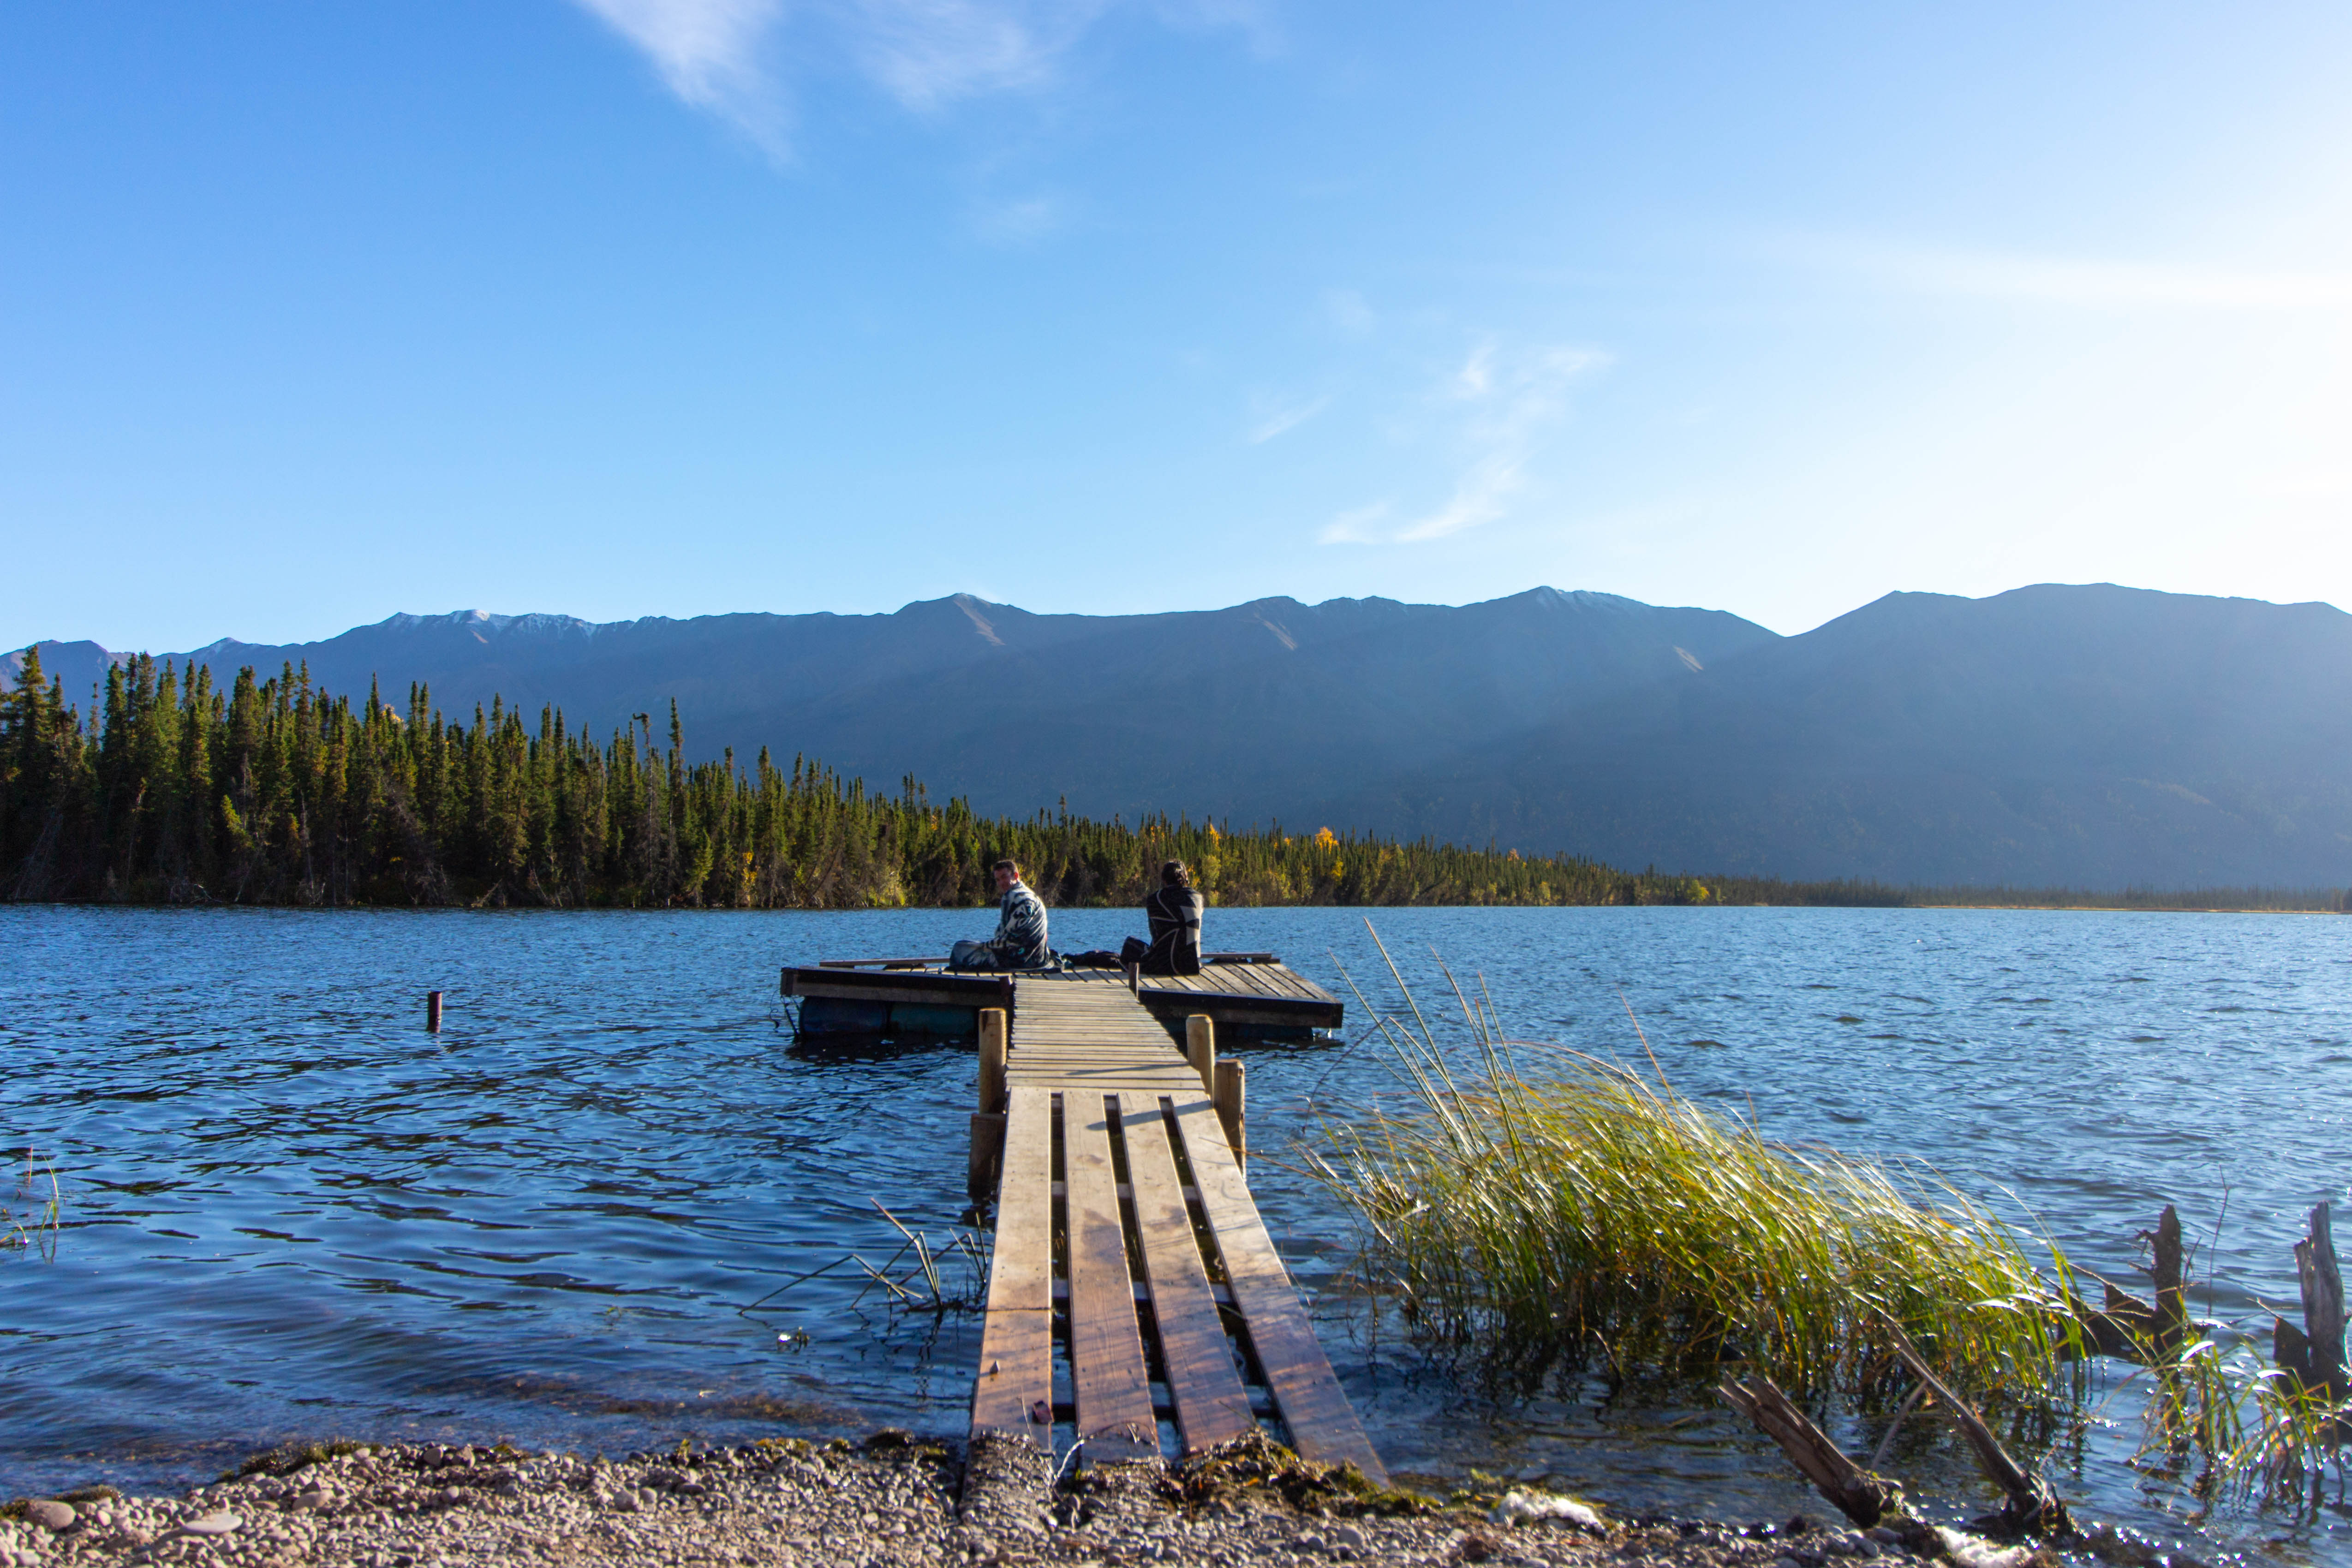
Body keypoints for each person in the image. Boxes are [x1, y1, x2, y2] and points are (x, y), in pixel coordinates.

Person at [949, 859, 1052, 971]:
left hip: (1017, 961)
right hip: (1040, 959)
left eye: (1004, 877)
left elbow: (1007, 940)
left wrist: (984, 946)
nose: (1001, 883)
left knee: (960, 948)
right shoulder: (1034, 896)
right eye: (998, 880)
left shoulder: (1010, 897)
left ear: (1016, 876)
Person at [1120, 860, 1204, 976]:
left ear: (1164, 879)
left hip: (1163, 965)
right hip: (1191, 967)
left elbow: (1156, 935)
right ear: (1185, 878)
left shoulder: (1155, 899)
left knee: (1130, 944)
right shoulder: (1197, 897)